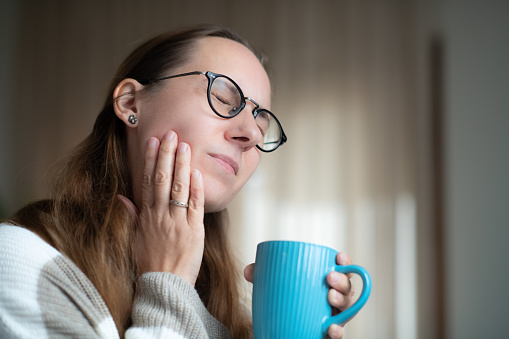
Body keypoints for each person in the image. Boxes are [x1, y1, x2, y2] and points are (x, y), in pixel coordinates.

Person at [0, 25, 355, 339]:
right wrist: (167, 284)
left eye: (261, 125)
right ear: (130, 102)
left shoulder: (227, 317)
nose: (249, 133)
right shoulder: (17, 258)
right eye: (222, 98)